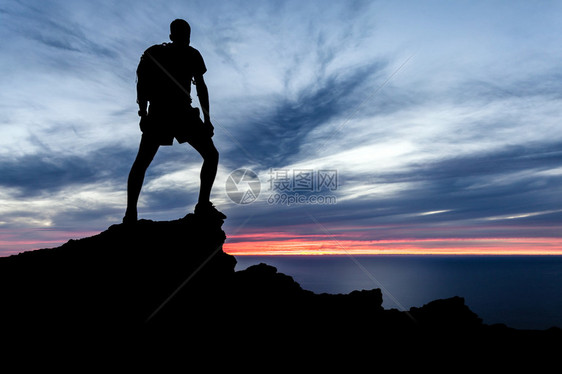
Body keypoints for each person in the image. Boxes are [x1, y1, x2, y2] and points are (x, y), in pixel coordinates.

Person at [123, 19, 226, 223]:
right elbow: (142, 85)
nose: (185, 40)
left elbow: (200, 88)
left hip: (174, 113)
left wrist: (207, 120)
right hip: (167, 113)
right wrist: (143, 114)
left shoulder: (167, 53)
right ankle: (131, 213)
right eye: (183, 36)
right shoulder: (165, 54)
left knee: (210, 155)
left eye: (187, 36)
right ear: (172, 36)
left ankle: (202, 205)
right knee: (142, 162)